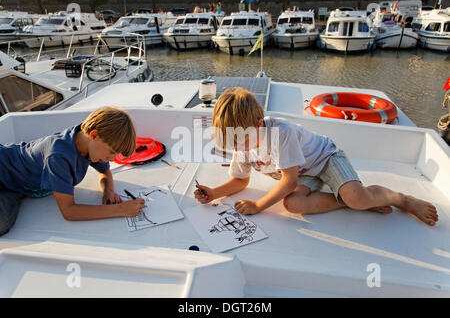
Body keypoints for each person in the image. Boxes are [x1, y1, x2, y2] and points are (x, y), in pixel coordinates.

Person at [194, 88, 439, 226]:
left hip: (324, 158)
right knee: (292, 205)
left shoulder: (282, 133)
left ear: (259, 125)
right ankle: (357, 202)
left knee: (356, 196)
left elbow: (288, 182)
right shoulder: (241, 142)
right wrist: (214, 193)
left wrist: (258, 205)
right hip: (302, 172)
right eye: (234, 142)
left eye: (242, 141)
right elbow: (241, 181)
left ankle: (401, 199)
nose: (240, 148)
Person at [0, 107, 145, 236]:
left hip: (19, 185)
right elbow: (69, 211)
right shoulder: (58, 157)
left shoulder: (88, 143)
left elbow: (105, 172)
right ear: (94, 135)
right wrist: (121, 210)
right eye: (112, 152)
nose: (112, 159)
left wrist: (108, 190)